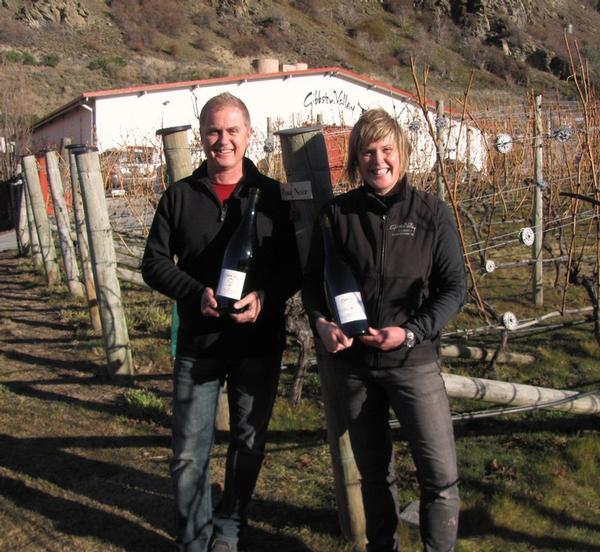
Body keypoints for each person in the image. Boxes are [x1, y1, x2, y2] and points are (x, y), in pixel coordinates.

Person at [142, 92, 300, 552]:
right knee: (189, 454)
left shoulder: (273, 197)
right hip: (200, 344)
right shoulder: (180, 196)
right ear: (202, 135)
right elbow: (153, 263)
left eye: (233, 130)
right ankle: (193, 538)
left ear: (250, 134)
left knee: (249, 443)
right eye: (214, 130)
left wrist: (266, 297)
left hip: (258, 342)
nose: (223, 140)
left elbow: (293, 265)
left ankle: (230, 523)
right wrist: (195, 293)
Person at [302, 108, 466, 552]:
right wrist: (319, 322)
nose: (378, 160)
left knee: (440, 478)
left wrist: (411, 333)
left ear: (402, 154)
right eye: (368, 152)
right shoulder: (337, 215)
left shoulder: (431, 213)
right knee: (374, 475)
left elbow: (454, 288)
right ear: (357, 159)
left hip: (413, 363)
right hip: (355, 368)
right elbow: (313, 284)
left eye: (386, 150)